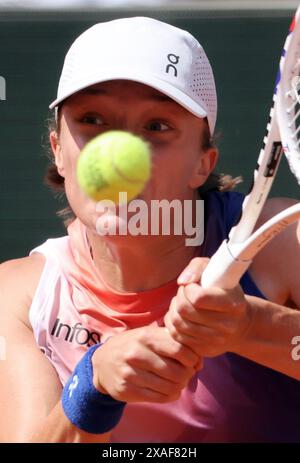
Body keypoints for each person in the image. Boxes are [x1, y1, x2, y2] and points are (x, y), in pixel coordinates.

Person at [0, 16, 299, 444]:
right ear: (58, 153)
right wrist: (91, 385)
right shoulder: (18, 296)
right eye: (92, 119)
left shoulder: (283, 242)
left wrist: (251, 326)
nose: (120, 154)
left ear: (203, 163)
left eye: (157, 126)